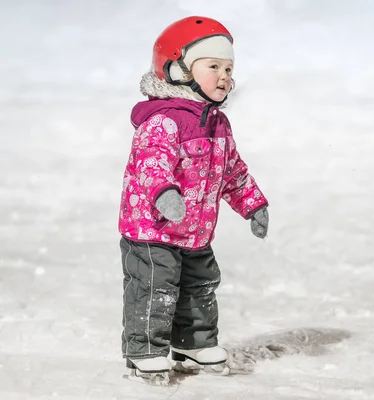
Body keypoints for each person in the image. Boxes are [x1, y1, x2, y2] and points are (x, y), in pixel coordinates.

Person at [117, 16, 269, 383]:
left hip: (195, 232)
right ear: (176, 70)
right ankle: (145, 350)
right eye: (213, 66)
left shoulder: (218, 124)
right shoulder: (163, 121)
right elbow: (151, 163)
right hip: (152, 230)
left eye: (229, 67)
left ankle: (194, 342)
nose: (224, 76)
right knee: (156, 288)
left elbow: (232, 171)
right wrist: (164, 194)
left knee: (201, 285)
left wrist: (253, 203)